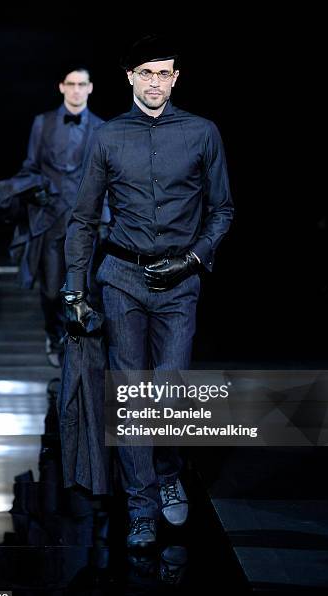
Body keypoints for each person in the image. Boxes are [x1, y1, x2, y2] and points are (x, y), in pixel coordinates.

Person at [61, 34, 234, 547]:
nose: (155, 81)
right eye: (146, 72)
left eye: (165, 73)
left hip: (180, 282)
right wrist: (76, 291)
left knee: (171, 388)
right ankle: (141, 503)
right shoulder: (109, 138)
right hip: (121, 279)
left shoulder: (203, 132)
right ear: (130, 77)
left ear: (175, 78)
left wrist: (195, 258)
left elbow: (223, 209)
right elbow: (84, 218)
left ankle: (168, 470)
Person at [0, 65, 107, 367]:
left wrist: (105, 220)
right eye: (70, 84)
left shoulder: (103, 128)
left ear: (90, 88)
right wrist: (33, 189)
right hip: (50, 217)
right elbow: (30, 166)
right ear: (61, 87)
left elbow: (108, 179)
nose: (76, 89)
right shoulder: (42, 124)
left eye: (81, 84)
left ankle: (77, 343)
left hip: (86, 222)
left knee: (86, 287)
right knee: (50, 287)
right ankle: (53, 332)